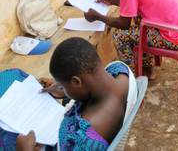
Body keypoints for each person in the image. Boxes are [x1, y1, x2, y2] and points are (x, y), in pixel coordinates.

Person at [1, 38, 135, 151]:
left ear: (76, 81)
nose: (62, 89)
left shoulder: (77, 139)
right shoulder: (121, 72)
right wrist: (67, 91)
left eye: (64, 86)